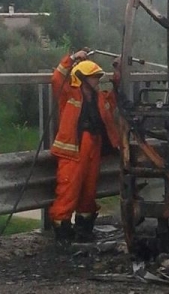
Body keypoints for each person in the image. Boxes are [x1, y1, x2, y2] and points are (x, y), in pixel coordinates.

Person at [50, 49, 122, 243]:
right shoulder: (69, 93)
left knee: (89, 191)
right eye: (93, 77)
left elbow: (115, 97)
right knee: (68, 190)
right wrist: (72, 58)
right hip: (73, 148)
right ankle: (63, 233)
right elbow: (57, 78)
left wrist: (118, 71)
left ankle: (84, 230)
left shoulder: (100, 98)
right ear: (82, 78)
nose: (97, 80)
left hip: (93, 146)